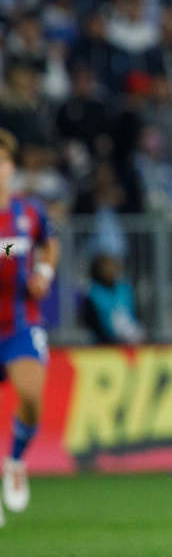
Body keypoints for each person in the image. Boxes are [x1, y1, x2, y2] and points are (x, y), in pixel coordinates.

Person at [0, 128, 58, 520]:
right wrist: (9, 247)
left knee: (32, 394)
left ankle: (15, 463)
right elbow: (7, 247)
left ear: (11, 168)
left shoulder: (29, 212)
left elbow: (49, 242)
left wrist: (43, 272)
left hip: (20, 322)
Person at [82, 253, 144, 345]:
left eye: (113, 266)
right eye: (106, 266)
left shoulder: (124, 288)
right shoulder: (93, 293)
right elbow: (92, 323)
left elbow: (133, 314)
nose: (111, 270)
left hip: (129, 339)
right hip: (104, 344)